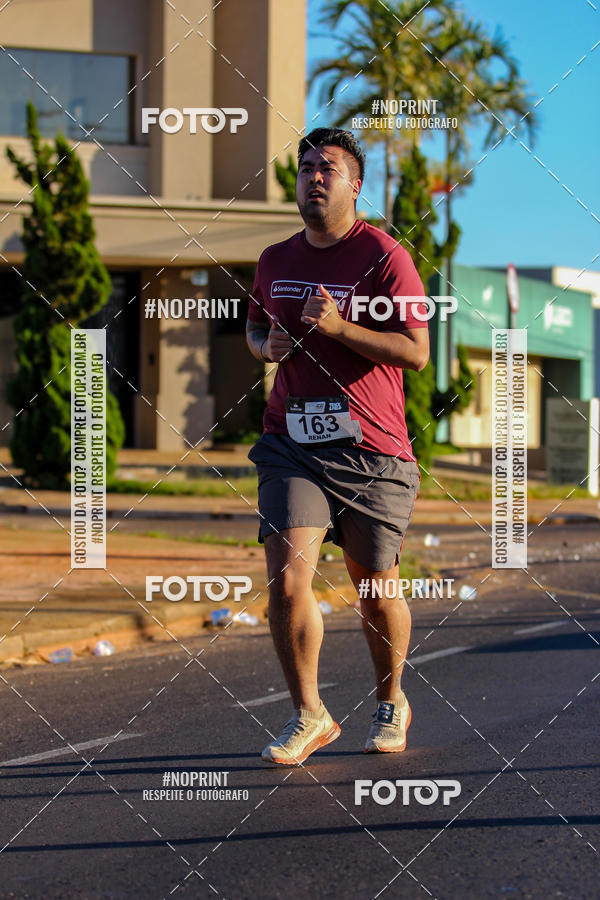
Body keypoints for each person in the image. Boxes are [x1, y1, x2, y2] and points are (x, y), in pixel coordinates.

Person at [246, 127, 429, 765]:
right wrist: (261, 347)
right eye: (304, 169)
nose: (313, 178)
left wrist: (341, 327)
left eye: (328, 169)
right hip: (290, 442)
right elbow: (254, 326)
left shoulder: (384, 257)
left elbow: (416, 352)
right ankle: (310, 713)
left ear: (355, 185)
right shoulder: (274, 260)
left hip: (372, 448)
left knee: (374, 584)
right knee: (289, 578)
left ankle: (391, 698)